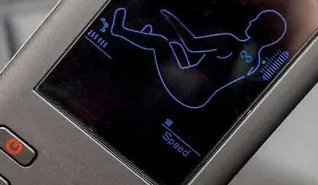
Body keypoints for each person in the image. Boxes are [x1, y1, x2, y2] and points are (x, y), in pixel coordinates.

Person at [110, 6, 287, 109]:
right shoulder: (255, 63)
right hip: (199, 96)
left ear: (263, 30)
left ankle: (120, 31)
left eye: (257, 20)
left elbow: (192, 45)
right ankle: (137, 34)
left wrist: (172, 20)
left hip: (188, 87)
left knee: (160, 43)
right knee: (167, 39)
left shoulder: (231, 42)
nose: (251, 20)